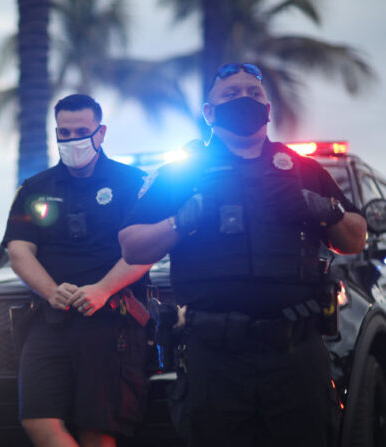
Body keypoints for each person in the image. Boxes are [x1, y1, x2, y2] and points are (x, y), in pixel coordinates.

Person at [118, 63, 367, 446]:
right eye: (231, 94)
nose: (244, 100)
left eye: (253, 94)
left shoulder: (302, 170)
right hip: (214, 356)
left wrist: (325, 209)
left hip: (297, 354)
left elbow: (355, 238)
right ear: (209, 112)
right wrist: (180, 223)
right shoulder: (181, 175)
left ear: (268, 108)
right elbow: (132, 246)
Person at [3, 93, 153, 447]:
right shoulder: (35, 188)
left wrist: (101, 290)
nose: (73, 140)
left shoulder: (133, 183)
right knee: (37, 421)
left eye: (81, 131)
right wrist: (52, 291)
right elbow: (19, 250)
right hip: (50, 319)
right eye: (64, 132)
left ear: (100, 133)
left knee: (97, 431)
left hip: (112, 320)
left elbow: (147, 249)